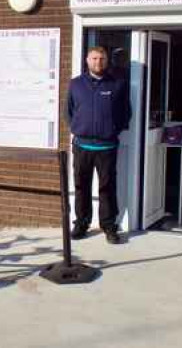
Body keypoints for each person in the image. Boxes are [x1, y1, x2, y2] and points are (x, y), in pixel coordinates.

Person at [66, 46, 131, 244]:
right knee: (81, 186)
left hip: (107, 147)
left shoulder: (118, 84)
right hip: (82, 146)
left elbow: (125, 113)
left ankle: (109, 226)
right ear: (87, 60)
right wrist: (79, 128)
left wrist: (111, 131)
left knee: (107, 188)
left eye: (102, 59)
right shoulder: (75, 84)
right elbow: (68, 112)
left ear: (107, 61)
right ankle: (81, 224)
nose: (98, 62)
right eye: (94, 58)